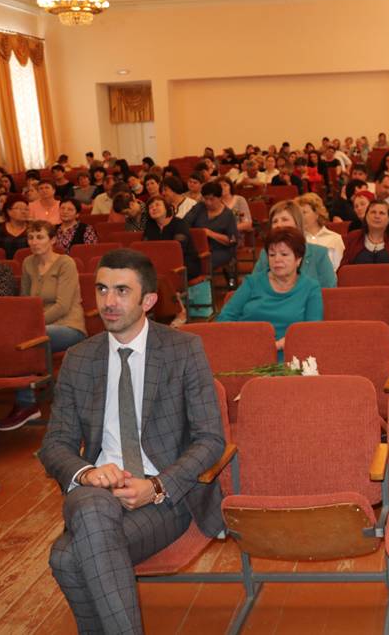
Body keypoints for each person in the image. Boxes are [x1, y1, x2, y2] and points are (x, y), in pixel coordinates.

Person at [40, 248, 225, 635]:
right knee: (92, 509)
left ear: (149, 300)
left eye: (122, 291)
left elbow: (210, 439)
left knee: (67, 558)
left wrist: (156, 486)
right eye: (102, 289)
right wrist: (88, 473)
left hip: (163, 499)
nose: (108, 301)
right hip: (96, 490)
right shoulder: (79, 358)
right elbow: (55, 443)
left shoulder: (183, 350)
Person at [3, 221, 87, 430]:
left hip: (69, 326)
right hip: (37, 328)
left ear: (53, 240)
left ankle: (26, 403)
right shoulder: (28, 263)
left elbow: (63, 306)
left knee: (25, 341)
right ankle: (28, 402)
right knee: (20, 341)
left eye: (39, 237)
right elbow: (25, 301)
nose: (34, 242)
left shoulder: (66, 263)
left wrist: (32, 326)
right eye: (30, 237)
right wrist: (28, 325)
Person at [218, 227, 323, 355]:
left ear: (298, 259)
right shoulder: (252, 282)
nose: (277, 259)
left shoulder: (311, 287)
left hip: (289, 352)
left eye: (284, 254)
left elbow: (312, 329)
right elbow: (225, 318)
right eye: (272, 255)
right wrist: (245, 343)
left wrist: (279, 345)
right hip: (247, 350)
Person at [143, 197, 202, 326]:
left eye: (157, 205)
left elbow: (178, 249)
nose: (153, 208)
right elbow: (146, 249)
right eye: (150, 207)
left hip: (185, 263)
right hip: (159, 266)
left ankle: (180, 312)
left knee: (166, 275)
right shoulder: (150, 226)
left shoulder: (179, 223)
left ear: (167, 208)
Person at [251, 201, 336, 288]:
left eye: (284, 219)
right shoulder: (266, 254)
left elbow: (330, 289)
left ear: (297, 223)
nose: (279, 225)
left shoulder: (319, 254)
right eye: (275, 221)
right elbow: (253, 286)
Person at [193, 182, 238, 272]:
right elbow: (187, 223)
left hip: (220, 250)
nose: (208, 202)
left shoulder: (228, 214)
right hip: (199, 248)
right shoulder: (200, 208)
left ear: (220, 198)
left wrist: (210, 233)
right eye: (206, 199)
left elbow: (232, 240)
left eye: (212, 199)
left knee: (202, 262)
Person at [340, 200, 389, 265]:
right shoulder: (353, 237)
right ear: (366, 216)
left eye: (382, 213)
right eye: (373, 212)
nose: (377, 216)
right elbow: (344, 268)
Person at [295, 193, 344, 272]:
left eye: (304, 212)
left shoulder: (335, 238)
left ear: (317, 214)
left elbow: (339, 270)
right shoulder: (296, 240)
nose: (301, 217)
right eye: (299, 214)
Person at [0, 195, 30, 259]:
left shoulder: (33, 228)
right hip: (1, 263)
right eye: (18, 208)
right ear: (8, 211)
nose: (23, 212)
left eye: (26, 209)